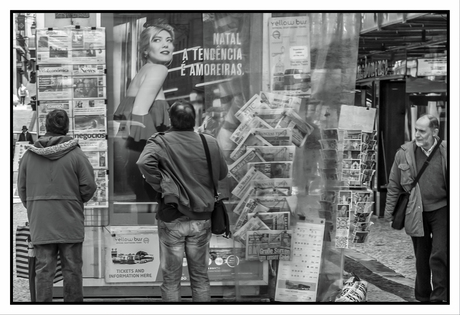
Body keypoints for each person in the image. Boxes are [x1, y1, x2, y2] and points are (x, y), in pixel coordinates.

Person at [137, 100, 228, 302]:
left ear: (171, 119)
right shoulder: (209, 142)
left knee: (170, 280)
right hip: (201, 218)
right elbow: (222, 173)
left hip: (172, 217)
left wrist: (161, 185)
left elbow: (143, 162)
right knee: (201, 278)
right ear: (193, 120)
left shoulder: (160, 142)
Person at [17, 109, 97, 302]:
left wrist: (36, 207)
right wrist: (74, 202)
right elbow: (89, 186)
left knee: (43, 270)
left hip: (41, 221)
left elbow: (22, 189)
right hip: (70, 220)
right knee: (73, 270)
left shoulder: (29, 156)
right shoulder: (76, 154)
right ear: (67, 127)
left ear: (46, 127)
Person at [384, 114, 447, 303]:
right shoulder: (404, 153)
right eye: (416, 130)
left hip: (442, 209)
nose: (417, 135)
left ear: (434, 131)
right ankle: (422, 297)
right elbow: (394, 185)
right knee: (422, 257)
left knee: (440, 253)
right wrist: (389, 214)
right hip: (415, 210)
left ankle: (440, 297)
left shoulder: (446, 150)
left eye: (422, 131)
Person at [113, 21, 174, 202]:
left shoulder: (144, 70)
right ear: (145, 50)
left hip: (131, 153)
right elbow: (140, 111)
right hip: (142, 154)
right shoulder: (159, 69)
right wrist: (161, 155)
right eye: (157, 40)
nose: (165, 45)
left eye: (169, 40)